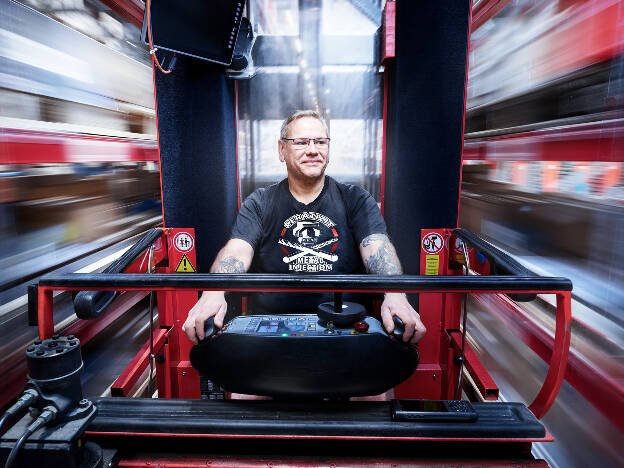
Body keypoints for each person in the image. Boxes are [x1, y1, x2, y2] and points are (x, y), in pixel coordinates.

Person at [183, 110, 426, 347]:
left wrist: (396, 295)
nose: (312, 150)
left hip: (345, 325)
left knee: (378, 387)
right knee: (241, 389)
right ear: (282, 150)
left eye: (320, 141)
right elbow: (236, 252)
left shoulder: (356, 199)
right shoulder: (259, 203)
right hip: (271, 329)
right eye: (301, 142)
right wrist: (213, 294)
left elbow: (377, 249)